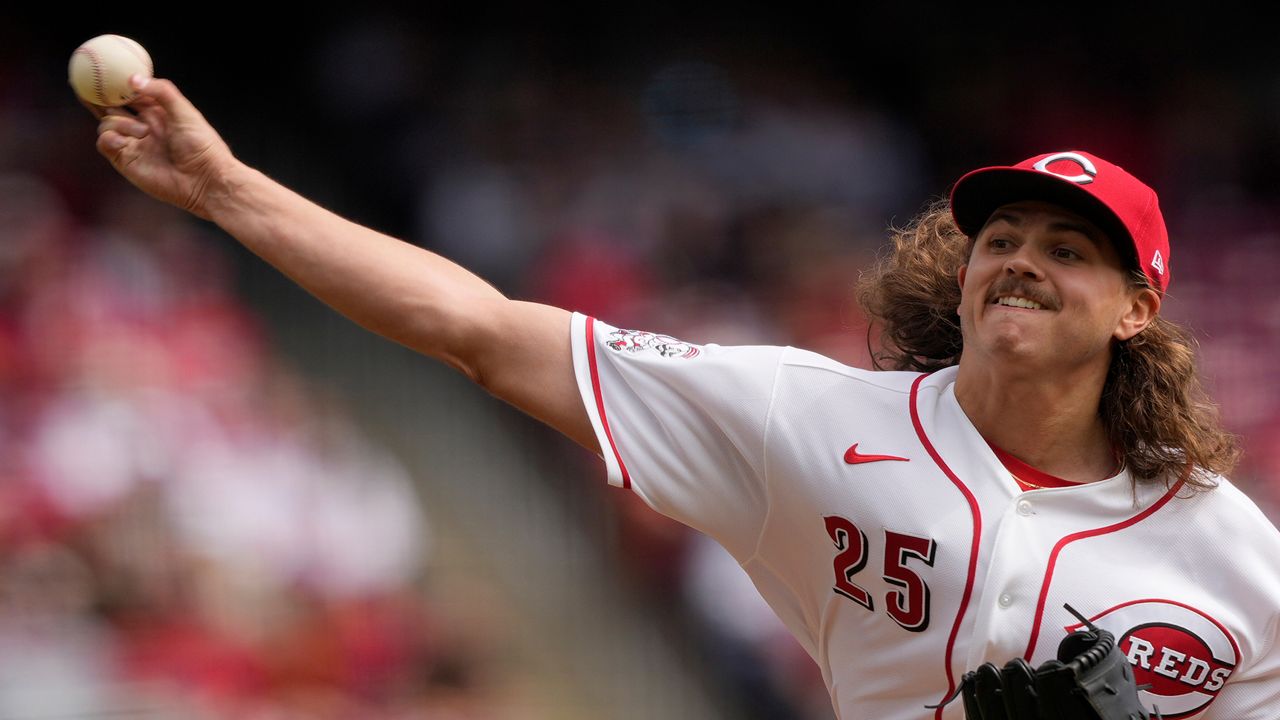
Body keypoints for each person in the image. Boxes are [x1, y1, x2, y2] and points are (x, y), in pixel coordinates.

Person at [89, 75, 1280, 719]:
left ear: (1136, 308)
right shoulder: (801, 419)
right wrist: (228, 190)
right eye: (1000, 235)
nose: (1019, 257)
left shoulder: (1228, 554)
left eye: (1070, 250)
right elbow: (479, 331)